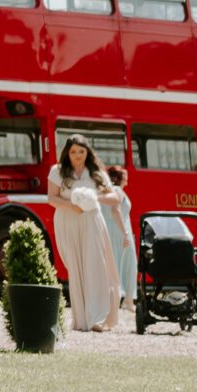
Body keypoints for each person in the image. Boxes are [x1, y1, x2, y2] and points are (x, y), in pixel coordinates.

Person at [49, 134, 119, 332]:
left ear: (87, 152)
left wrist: (93, 197)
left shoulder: (96, 172)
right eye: (73, 152)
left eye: (81, 151)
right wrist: (72, 205)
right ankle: (81, 319)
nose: (77, 156)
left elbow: (114, 197)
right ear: (67, 153)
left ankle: (98, 318)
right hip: (68, 221)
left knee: (95, 265)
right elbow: (52, 198)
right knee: (76, 267)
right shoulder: (58, 171)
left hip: (92, 222)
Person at [104, 163, 138, 307]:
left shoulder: (111, 191)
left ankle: (125, 299)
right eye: (125, 176)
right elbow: (115, 210)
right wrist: (125, 232)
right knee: (127, 263)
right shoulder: (117, 190)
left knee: (118, 264)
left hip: (114, 230)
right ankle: (126, 299)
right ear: (119, 178)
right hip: (119, 231)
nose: (127, 178)